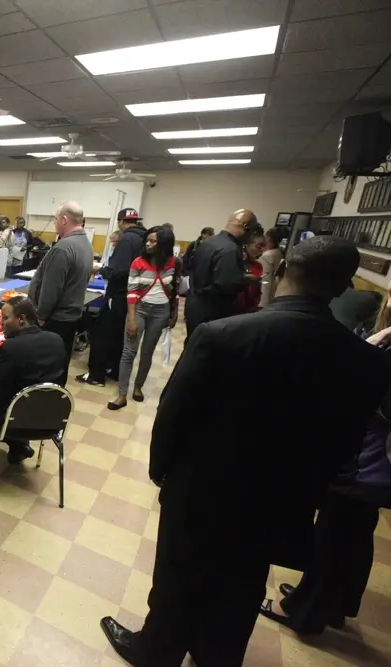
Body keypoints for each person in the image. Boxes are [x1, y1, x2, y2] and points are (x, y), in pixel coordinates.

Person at [99, 236, 391, 667]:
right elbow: (347, 443)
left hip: (201, 489)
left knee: (177, 579)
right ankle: (215, 655)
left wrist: (163, 472)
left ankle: (154, 652)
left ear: (283, 268)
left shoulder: (222, 334)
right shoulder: (365, 361)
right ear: (344, 286)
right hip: (286, 499)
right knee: (243, 584)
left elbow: (174, 413)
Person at [259, 311, 391, 635]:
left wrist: (365, 356)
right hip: (369, 465)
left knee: (334, 535)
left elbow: (369, 396)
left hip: (366, 464)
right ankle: (334, 604)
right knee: (354, 533)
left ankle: (306, 610)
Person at [0, 295, 65, 463]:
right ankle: (18, 447)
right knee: (24, 400)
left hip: (16, 421)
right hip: (52, 419)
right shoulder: (57, 340)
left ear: (22, 319)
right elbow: (61, 383)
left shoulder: (10, 348)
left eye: (5, 318)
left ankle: (15, 442)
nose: (1, 323)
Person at [108, 225, 177, 410]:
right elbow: (131, 292)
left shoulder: (172, 262)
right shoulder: (138, 262)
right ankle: (122, 394)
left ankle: (138, 387)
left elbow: (174, 290)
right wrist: (131, 319)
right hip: (138, 309)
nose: (148, 244)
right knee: (129, 352)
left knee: (147, 352)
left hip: (160, 311)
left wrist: (174, 313)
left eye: (153, 241)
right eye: (147, 240)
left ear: (163, 244)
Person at [76, 208, 147, 387]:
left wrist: (99, 269)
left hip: (119, 294)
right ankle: (114, 371)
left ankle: (96, 375)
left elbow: (117, 271)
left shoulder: (127, 239)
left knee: (102, 334)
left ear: (120, 222)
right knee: (119, 336)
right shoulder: (144, 237)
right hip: (135, 295)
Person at [27, 202, 93, 385]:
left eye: (55, 219)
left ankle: (43, 404)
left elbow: (51, 288)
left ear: (64, 219)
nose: (55, 223)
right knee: (59, 365)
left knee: (46, 368)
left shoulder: (63, 248)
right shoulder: (85, 243)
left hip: (54, 320)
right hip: (69, 318)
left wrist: (40, 316)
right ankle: (56, 402)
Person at [184, 209, 264, 338]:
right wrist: (246, 281)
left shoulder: (209, 242)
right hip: (212, 309)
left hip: (194, 303)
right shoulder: (230, 248)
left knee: (192, 346)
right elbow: (225, 284)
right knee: (206, 350)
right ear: (245, 227)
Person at [233, 230, 266, 314]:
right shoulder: (236, 262)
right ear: (246, 245)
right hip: (233, 308)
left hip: (250, 309)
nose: (262, 250)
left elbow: (257, 290)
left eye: (264, 247)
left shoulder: (258, 265)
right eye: (259, 246)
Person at [258, 227, 284, 307]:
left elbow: (265, 279)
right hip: (275, 291)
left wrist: (262, 302)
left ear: (269, 239)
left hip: (264, 296)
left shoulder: (266, 256)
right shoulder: (279, 253)